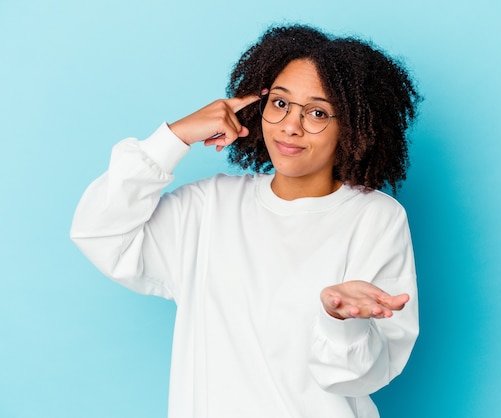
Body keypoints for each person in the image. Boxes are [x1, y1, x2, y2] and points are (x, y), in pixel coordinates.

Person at [70, 24, 421, 418]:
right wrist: (174, 138)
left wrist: (341, 320)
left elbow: (362, 377)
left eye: (318, 113)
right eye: (280, 103)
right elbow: (100, 232)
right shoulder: (208, 206)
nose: (290, 125)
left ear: (354, 127)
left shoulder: (376, 218)